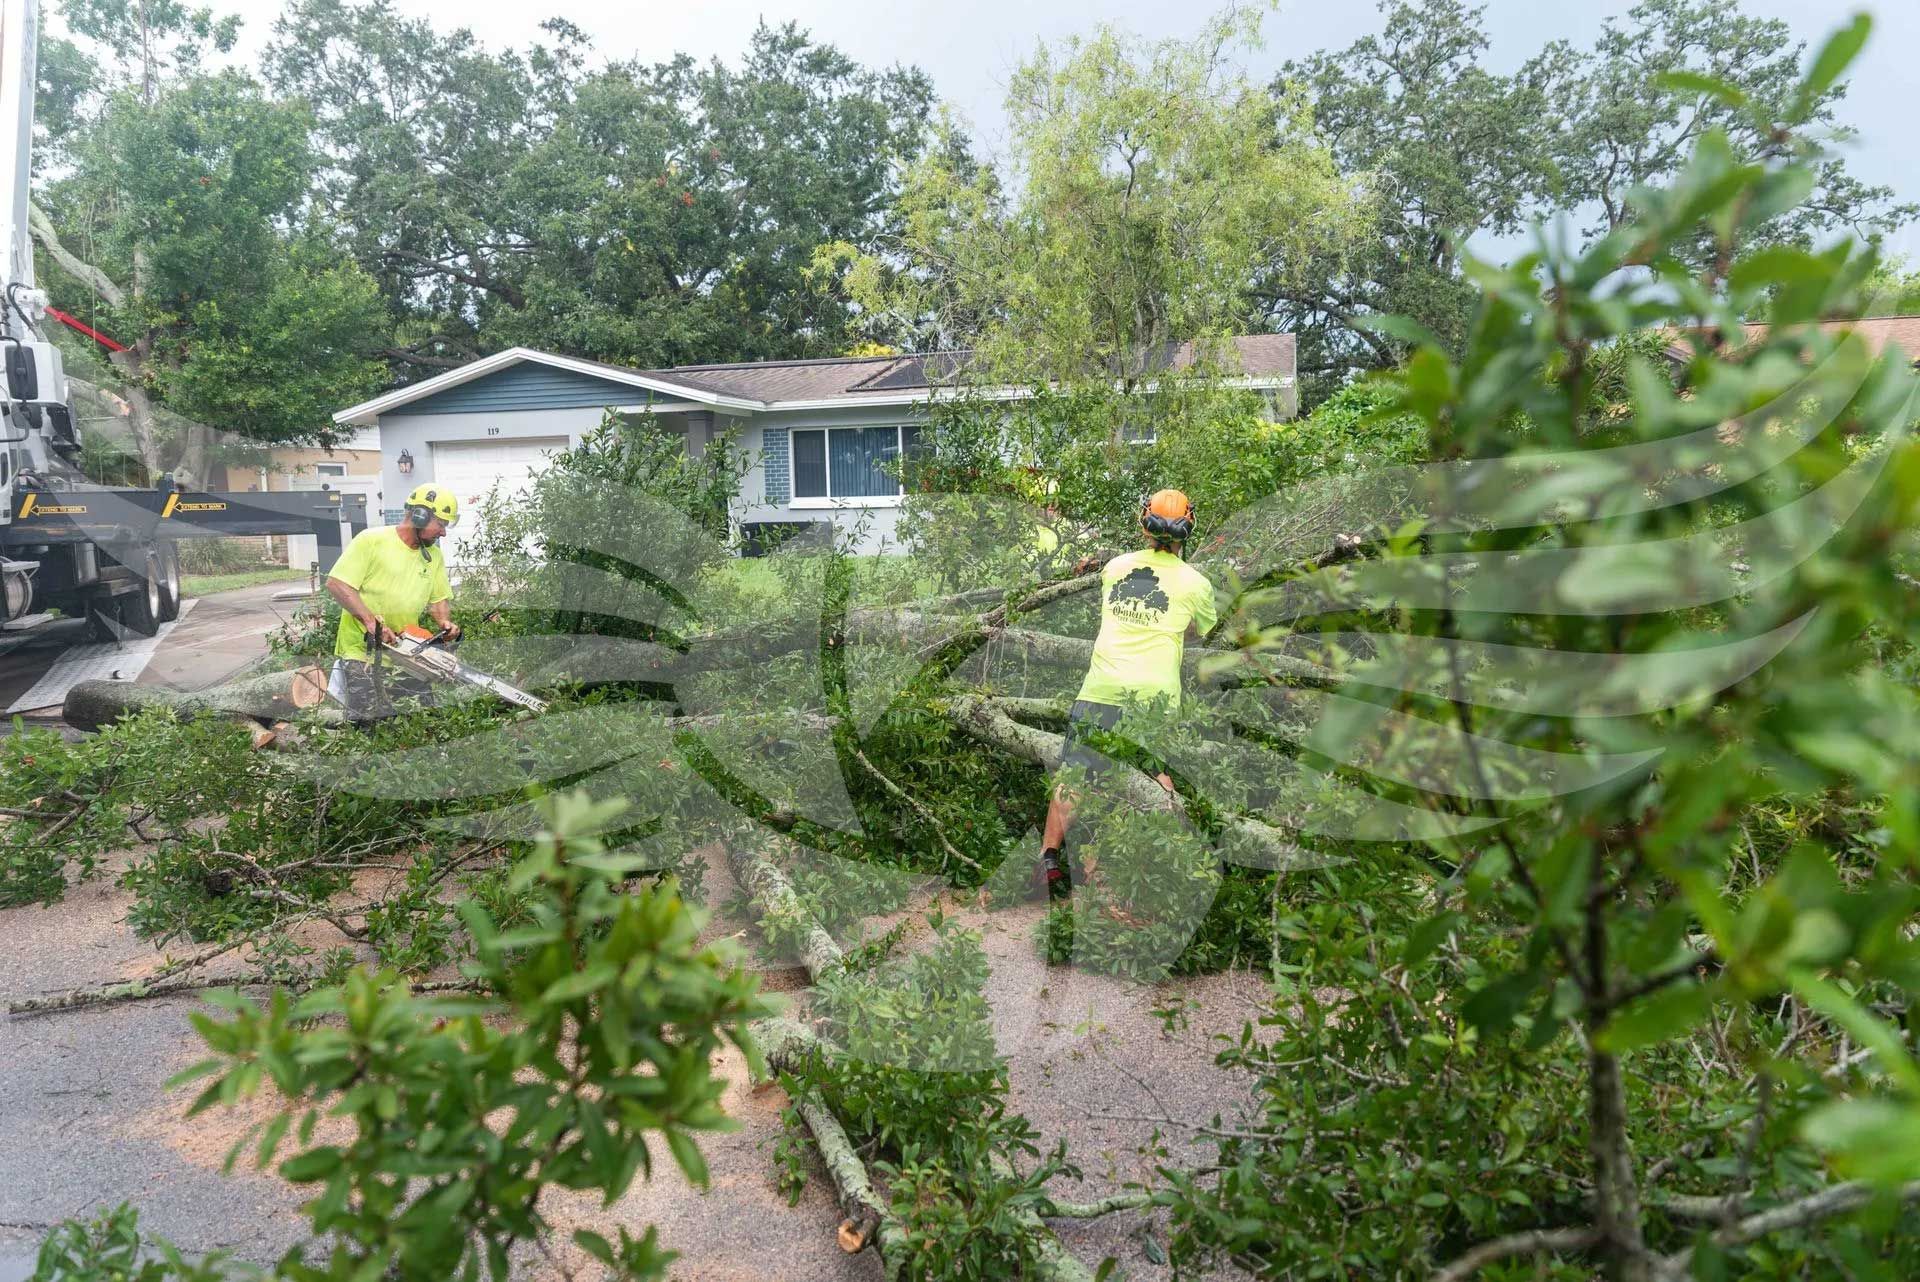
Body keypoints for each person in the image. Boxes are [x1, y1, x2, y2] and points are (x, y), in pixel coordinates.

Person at [1040, 488, 1217, 899]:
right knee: (1155, 775)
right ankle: (1173, 856)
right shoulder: (1197, 584)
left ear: (1145, 526)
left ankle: (1049, 857)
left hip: (1101, 689)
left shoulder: (1115, 568)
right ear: (1188, 529)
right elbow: (1200, 630)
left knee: (1076, 775)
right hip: (1152, 700)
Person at [324, 483, 463, 721]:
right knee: (367, 724)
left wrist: (445, 623)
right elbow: (337, 584)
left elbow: (438, 599)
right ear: (419, 516)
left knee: (422, 720)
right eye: (440, 524)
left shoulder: (433, 556)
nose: (443, 532)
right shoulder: (372, 540)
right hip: (362, 654)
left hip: (407, 653)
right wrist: (371, 622)